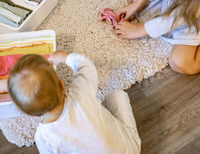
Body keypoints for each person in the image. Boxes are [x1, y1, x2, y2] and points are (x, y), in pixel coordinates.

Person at [8, 51, 141, 154]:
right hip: (129, 150)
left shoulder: (44, 138)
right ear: (62, 85)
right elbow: (86, 66)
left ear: (28, 113)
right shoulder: (81, 92)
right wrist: (65, 57)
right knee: (116, 95)